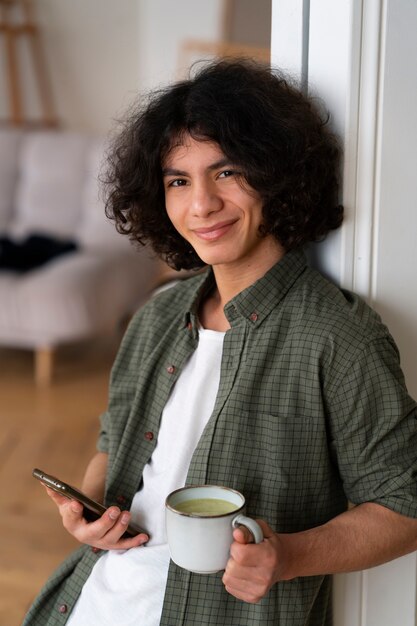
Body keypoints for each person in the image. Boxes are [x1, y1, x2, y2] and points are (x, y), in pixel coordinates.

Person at [23, 58, 417, 626]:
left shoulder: (336, 335)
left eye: (227, 172)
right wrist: (90, 514)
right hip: (94, 600)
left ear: (275, 175)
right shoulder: (157, 314)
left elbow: (406, 504)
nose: (201, 204)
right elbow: (114, 443)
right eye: (178, 181)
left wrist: (289, 558)